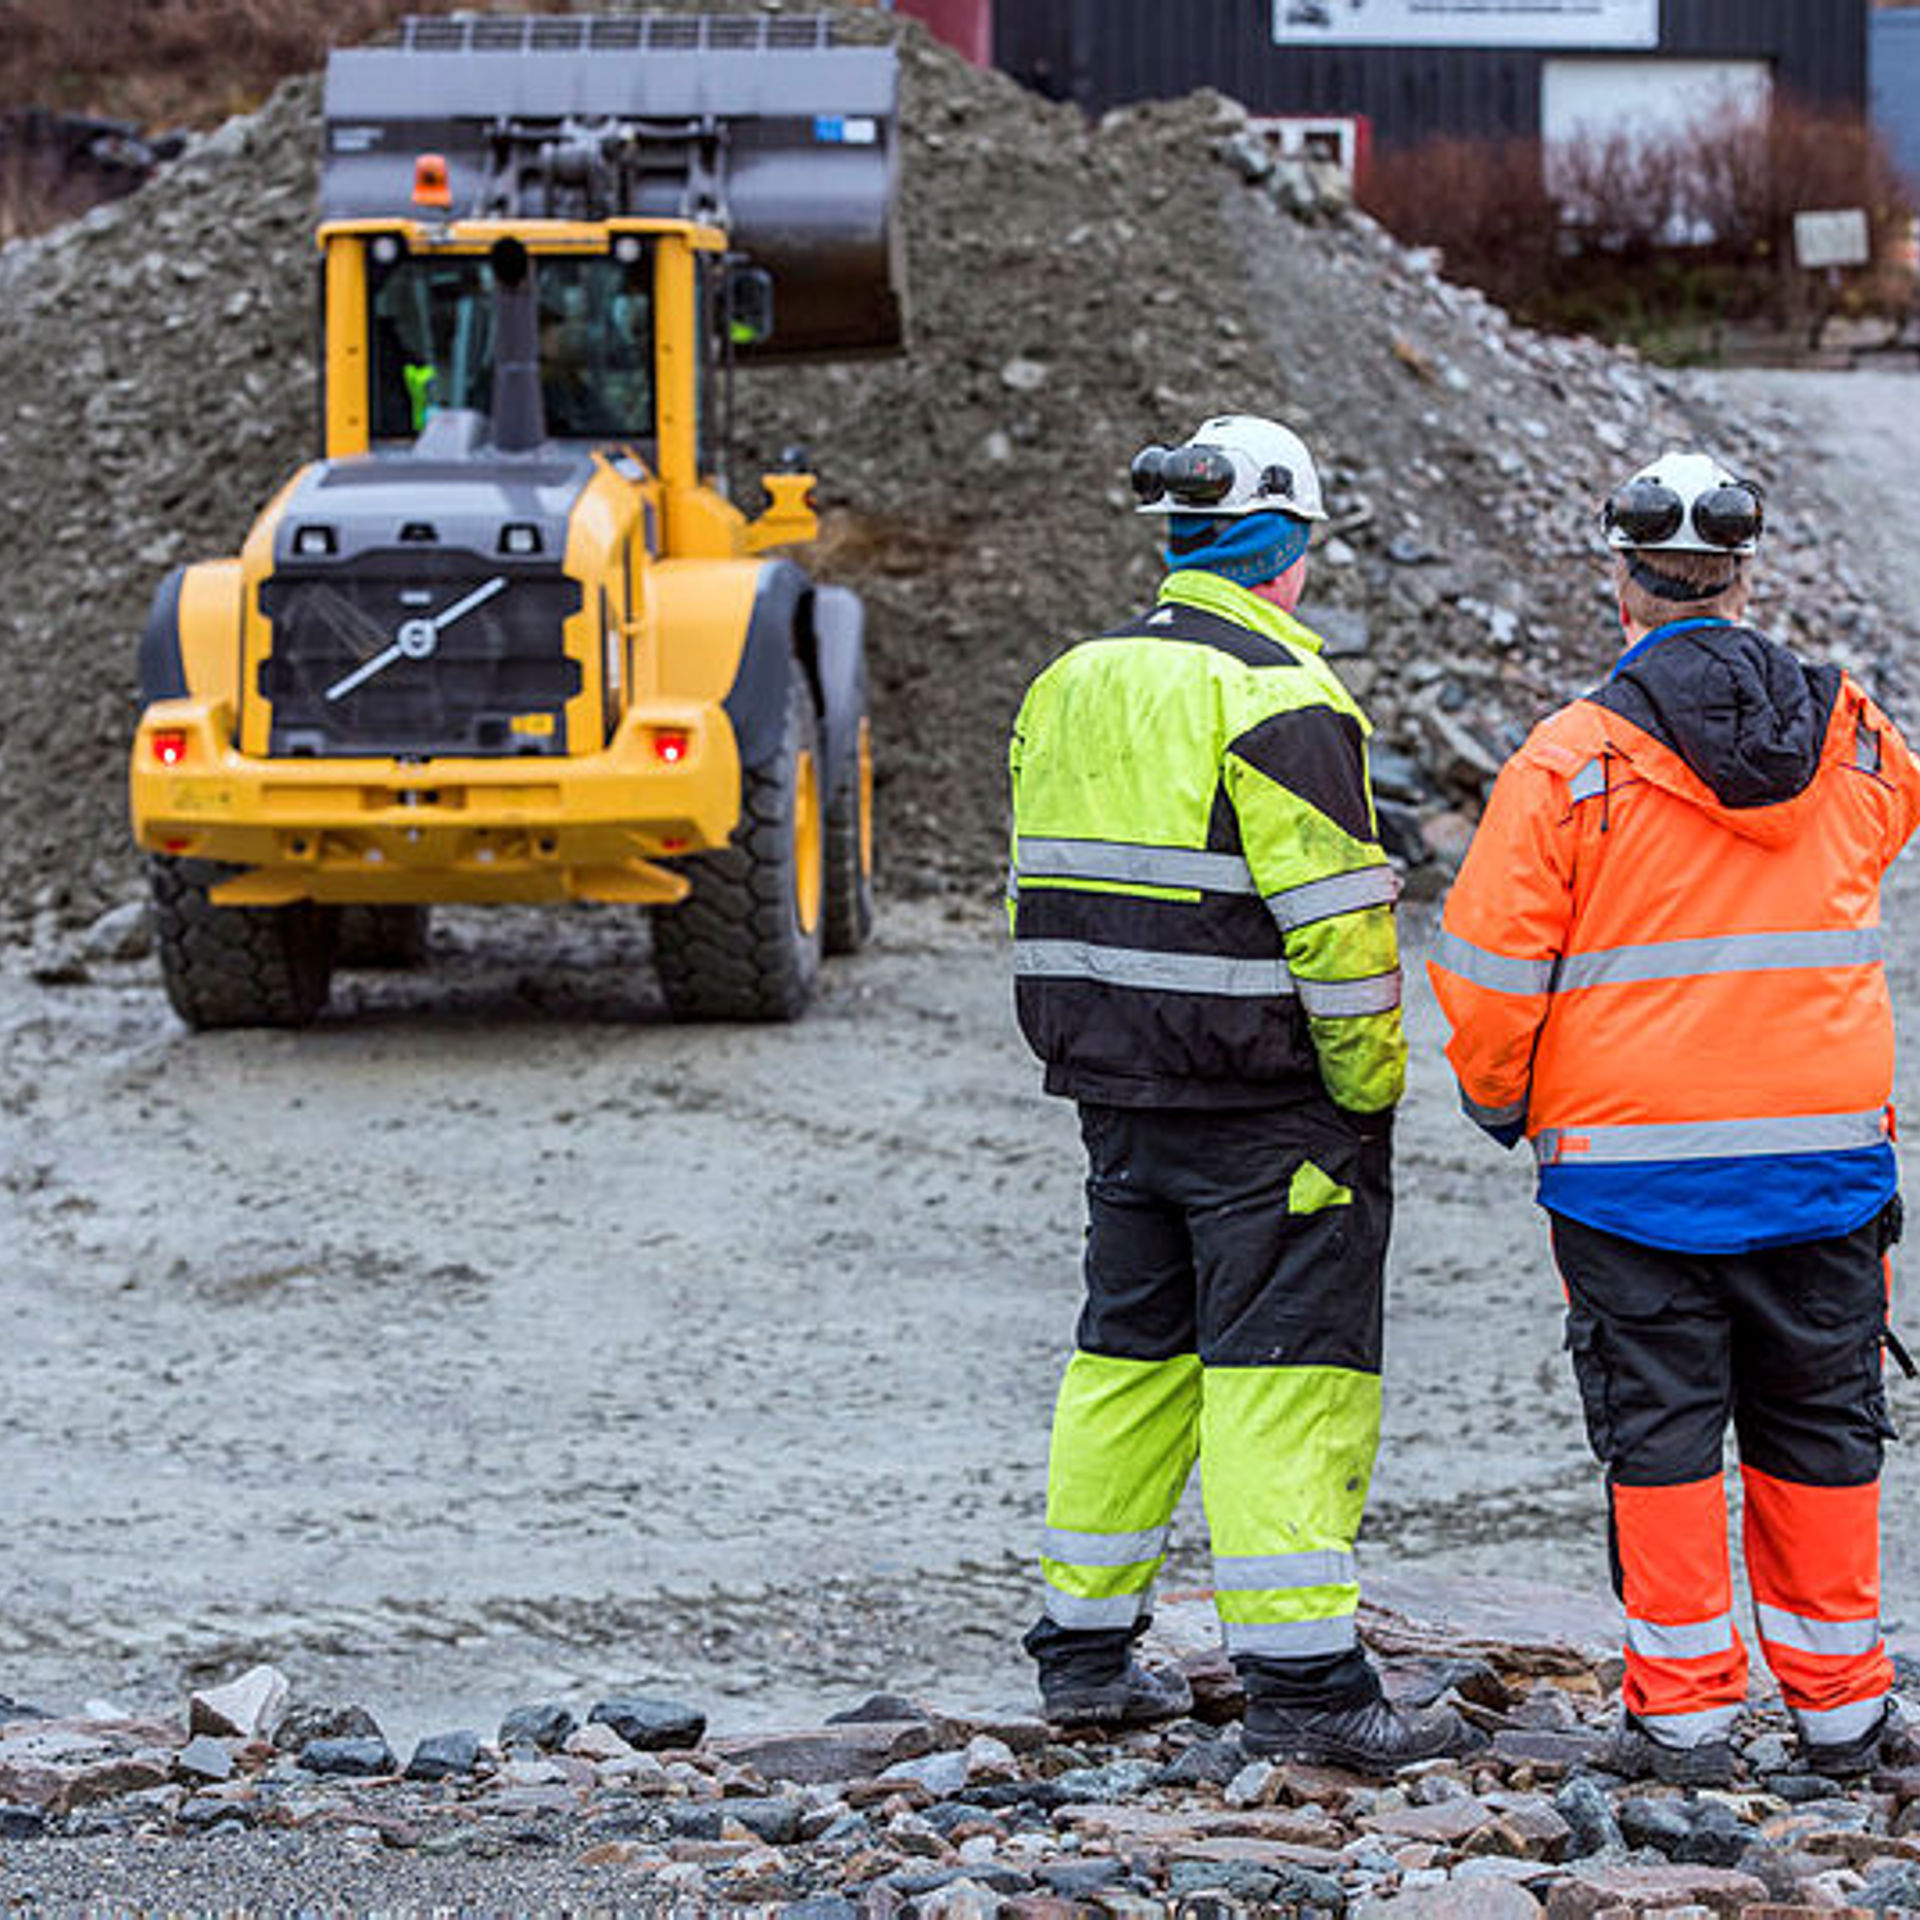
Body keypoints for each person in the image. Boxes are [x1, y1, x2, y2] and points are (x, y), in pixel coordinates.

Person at [1431, 450, 1920, 1785]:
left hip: (1627, 1182)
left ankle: (1689, 1718)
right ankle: (1841, 1712)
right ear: (1745, 573)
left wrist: (1499, 1097)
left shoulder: (1573, 755)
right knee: (1823, 1428)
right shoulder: (1857, 731)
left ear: (1621, 573)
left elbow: (1486, 974)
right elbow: (1882, 829)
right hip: (1825, 1166)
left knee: (1659, 1439)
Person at [1007, 414, 1471, 1770]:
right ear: (1289, 549)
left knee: (1126, 1364)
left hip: (1115, 1094)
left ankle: (1083, 1658)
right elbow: (1340, 935)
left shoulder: (1069, 682)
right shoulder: (1285, 697)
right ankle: (1307, 1683)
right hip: (1268, 1109)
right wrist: (1366, 1093)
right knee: (1286, 1377)